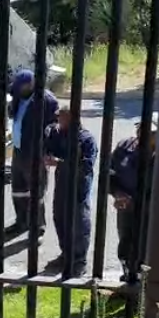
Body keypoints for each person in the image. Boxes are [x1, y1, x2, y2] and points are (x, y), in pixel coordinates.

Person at [43, 105, 98, 277]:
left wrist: (59, 162)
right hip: (62, 184)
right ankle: (66, 255)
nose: (58, 120)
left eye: (62, 117)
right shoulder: (60, 134)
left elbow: (86, 165)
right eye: (58, 117)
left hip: (79, 186)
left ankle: (79, 261)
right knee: (60, 218)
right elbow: (48, 145)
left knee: (79, 223)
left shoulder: (86, 139)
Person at [5, 69, 60, 239]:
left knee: (37, 193)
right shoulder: (19, 96)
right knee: (18, 189)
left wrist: (48, 152)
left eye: (21, 88)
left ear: (31, 85)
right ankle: (22, 222)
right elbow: (13, 113)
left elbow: (54, 129)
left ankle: (37, 227)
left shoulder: (47, 100)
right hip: (20, 150)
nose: (18, 91)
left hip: (36, 153)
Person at [108, 113, 158, 282]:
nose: (142, 135)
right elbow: (109, 172)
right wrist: (117, 193)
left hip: (150, 212)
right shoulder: (124, 147)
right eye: (140, 130)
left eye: (150, 133)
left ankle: (143, 286)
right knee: (125, 245)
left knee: (147, 248)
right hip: (126, 208)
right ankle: (128, 279)